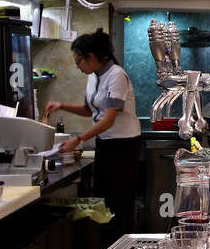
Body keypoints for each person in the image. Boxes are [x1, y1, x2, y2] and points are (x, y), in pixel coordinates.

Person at [44, 31, 141, 237]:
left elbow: (108, 119)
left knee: (119, 204)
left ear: (91, 57)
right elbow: (90, 110)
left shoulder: (116, 76)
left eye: (79, 61)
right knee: (103, 204)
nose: (77, 66)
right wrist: (61, 105)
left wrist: (78, 139)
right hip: (106, 145)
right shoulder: (94, 76)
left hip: (123, 147)